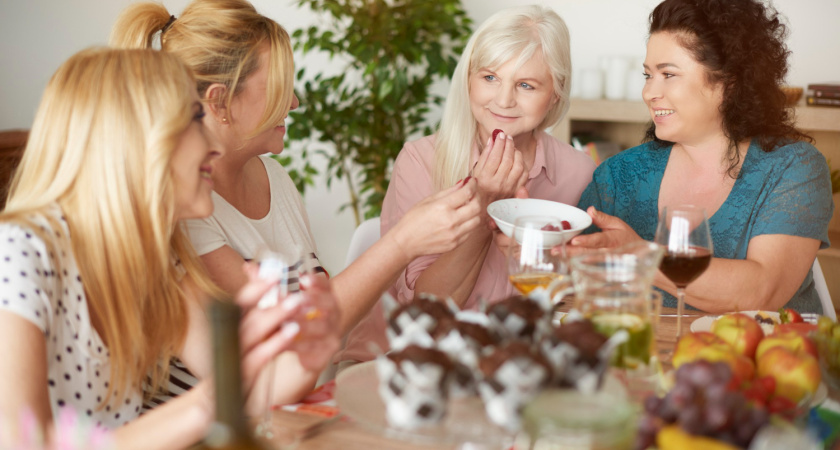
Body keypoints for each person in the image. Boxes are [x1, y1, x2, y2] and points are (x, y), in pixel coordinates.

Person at [110, 0, 481, 403]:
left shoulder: (275, 179)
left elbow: (316, 317)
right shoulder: (184, 213)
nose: (295, 103)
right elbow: (284, 361)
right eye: (279, 87)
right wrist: (401, 244)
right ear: (219, 103)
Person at [0, 48, 338, 449]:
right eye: (196, 120)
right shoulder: (20, 250)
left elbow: (242, 392)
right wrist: (207, 404)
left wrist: (307, 353)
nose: (213, 146)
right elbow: (27, 443)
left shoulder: (156, 259)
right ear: (135, 138)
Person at [337, 5, 596, 366]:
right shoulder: (420, 160)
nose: (503, 100)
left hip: (507, 367)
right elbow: (429, 309)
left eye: (525, 85)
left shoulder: (579, 173)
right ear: (469, 79)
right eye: (489, 77)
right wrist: (484, 199)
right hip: (399, 362)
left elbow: (576, 297)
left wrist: (551, 263)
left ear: (555, 93)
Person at [570, 0, 834, 313]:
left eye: (668, 74)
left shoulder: (794, 168)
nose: (649, 93)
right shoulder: (617, 175)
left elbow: (763, 291)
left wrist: (641, 255)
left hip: (757, 357)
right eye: (647, 75)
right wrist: (536, 248)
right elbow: (573, 274)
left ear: (730, 82)